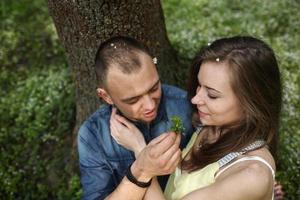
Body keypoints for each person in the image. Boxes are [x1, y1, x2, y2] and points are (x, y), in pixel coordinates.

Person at [111, 36, 283, 200]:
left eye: (212, 95)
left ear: (253, 101)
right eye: (199, 86)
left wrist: (141, 153)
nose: (195, 99)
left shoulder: (251, 176)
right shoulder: (210, 125)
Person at [77, 36, 194, 199]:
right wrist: (141, 169)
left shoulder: (186, 106)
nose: (150, 106)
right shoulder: (93, 135)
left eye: (154, 88)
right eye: (133, 100)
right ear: (106, 96)